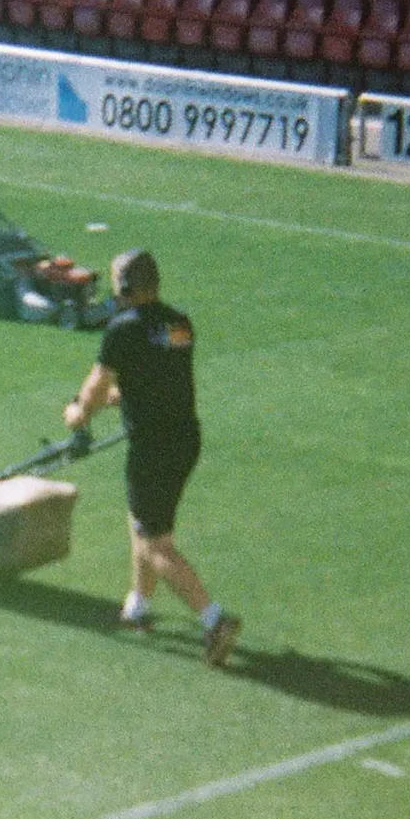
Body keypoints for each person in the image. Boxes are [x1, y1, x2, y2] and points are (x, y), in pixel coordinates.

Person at [63, 249, 242, 667]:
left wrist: (79, 414)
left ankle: (214, 620)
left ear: (124, 287)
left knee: (156, 543)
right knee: (144, 520)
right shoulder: (180, 325)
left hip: (152, 448)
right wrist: (123, 396)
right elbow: (164, 375)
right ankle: (138, 605)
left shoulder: (121, 329)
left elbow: (94, 385)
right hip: (185, 440)